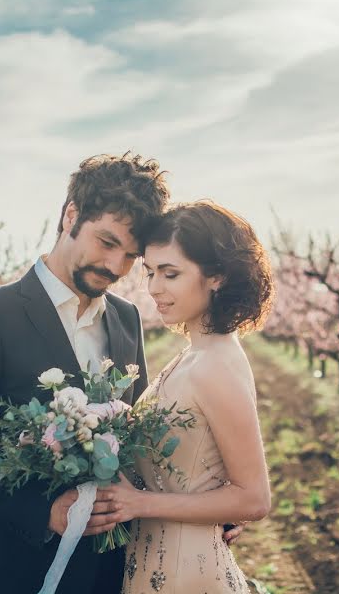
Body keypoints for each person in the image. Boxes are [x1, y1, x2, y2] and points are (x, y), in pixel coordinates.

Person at [0, 153, 168, 594]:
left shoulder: (127, 318)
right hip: (26, 569)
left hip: (115, 567)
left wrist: (199, 504)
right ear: (71, 215)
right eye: (106, 242)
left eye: (130, 256)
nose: (116, 267)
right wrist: (45, 512)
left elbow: (137, 437)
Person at [98, 201, 274, 593]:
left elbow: (254, 498)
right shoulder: (195, 354)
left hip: (187, 576)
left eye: (171, 273)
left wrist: (139, 504)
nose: (154, 288)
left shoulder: (214, 366)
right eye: (150, 272)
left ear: (217, 277)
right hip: (154, 564)